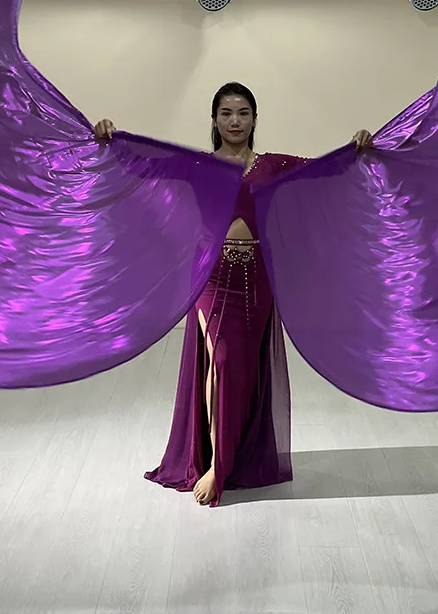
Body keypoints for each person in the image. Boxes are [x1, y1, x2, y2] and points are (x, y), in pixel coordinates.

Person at [93, 82, 372, 505]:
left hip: (257, 278)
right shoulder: (200, 165)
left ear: (255, 119)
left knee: (242, 370)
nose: (235, 121)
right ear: (214, 120)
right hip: (212, 275)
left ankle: (233, 455)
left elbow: (324, 171)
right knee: (220, 362)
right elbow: (144, 164)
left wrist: (357, 148)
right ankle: (215, 466)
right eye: (226, 113)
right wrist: (111, 139)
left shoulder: (273, 164)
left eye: (243, 113)